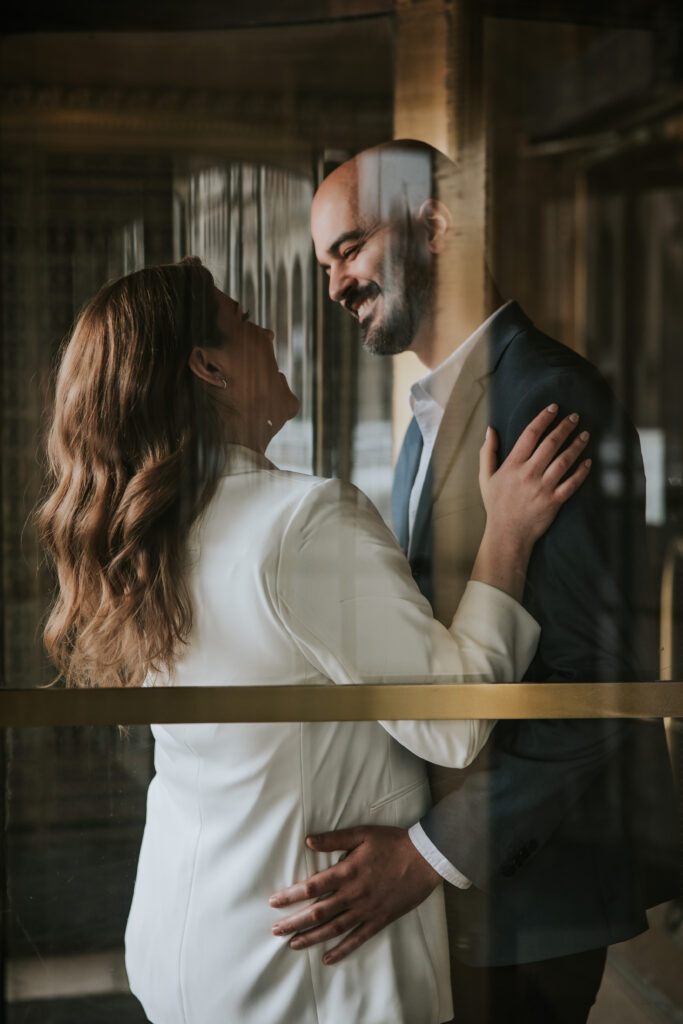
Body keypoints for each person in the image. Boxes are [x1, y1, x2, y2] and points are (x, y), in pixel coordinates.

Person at [37, 257, 589, 1024]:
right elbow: (453, 723)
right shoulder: (301, 520)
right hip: (303, 966)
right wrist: (507, 536)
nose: (271, 333)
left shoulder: (141, 538)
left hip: (187, 940)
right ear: (207, 367)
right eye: (244, 321)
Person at [269, 141, 679, 1024]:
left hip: (528, 904)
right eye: (325, 263)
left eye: (349, 248)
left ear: (437, 225)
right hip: (472, 904)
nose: (334, 285)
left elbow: (600, 688)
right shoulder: (429, 416)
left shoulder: (544, 398)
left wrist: (423, 856)